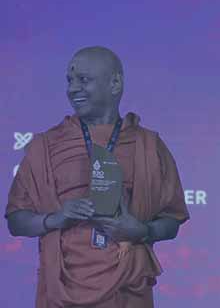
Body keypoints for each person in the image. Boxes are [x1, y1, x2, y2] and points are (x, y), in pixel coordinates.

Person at [5, 46, 189, 308]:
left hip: (129, 290)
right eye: (70, 81)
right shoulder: (45, 146)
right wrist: (55, 219)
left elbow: (171, 221)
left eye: (84, 80)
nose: (72, 89)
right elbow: (16, 220)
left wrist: (142, 231)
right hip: (62, 291)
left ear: (115, 83)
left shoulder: (148, 145)